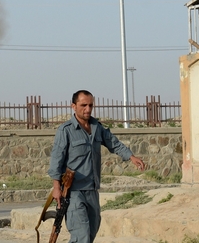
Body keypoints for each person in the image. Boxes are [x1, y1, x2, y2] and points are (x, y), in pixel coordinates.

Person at [48, 90, 146, 243]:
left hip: (92, 191)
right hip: (73, 191)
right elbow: (56, 160)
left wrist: (131, 157)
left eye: (90, 105)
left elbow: (114, 143)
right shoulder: (65, 130)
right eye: (83, 105)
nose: (88, 109)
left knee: (91, 232)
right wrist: (56, 188)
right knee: (82, 235)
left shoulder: (97, 127)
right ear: (73, 106)